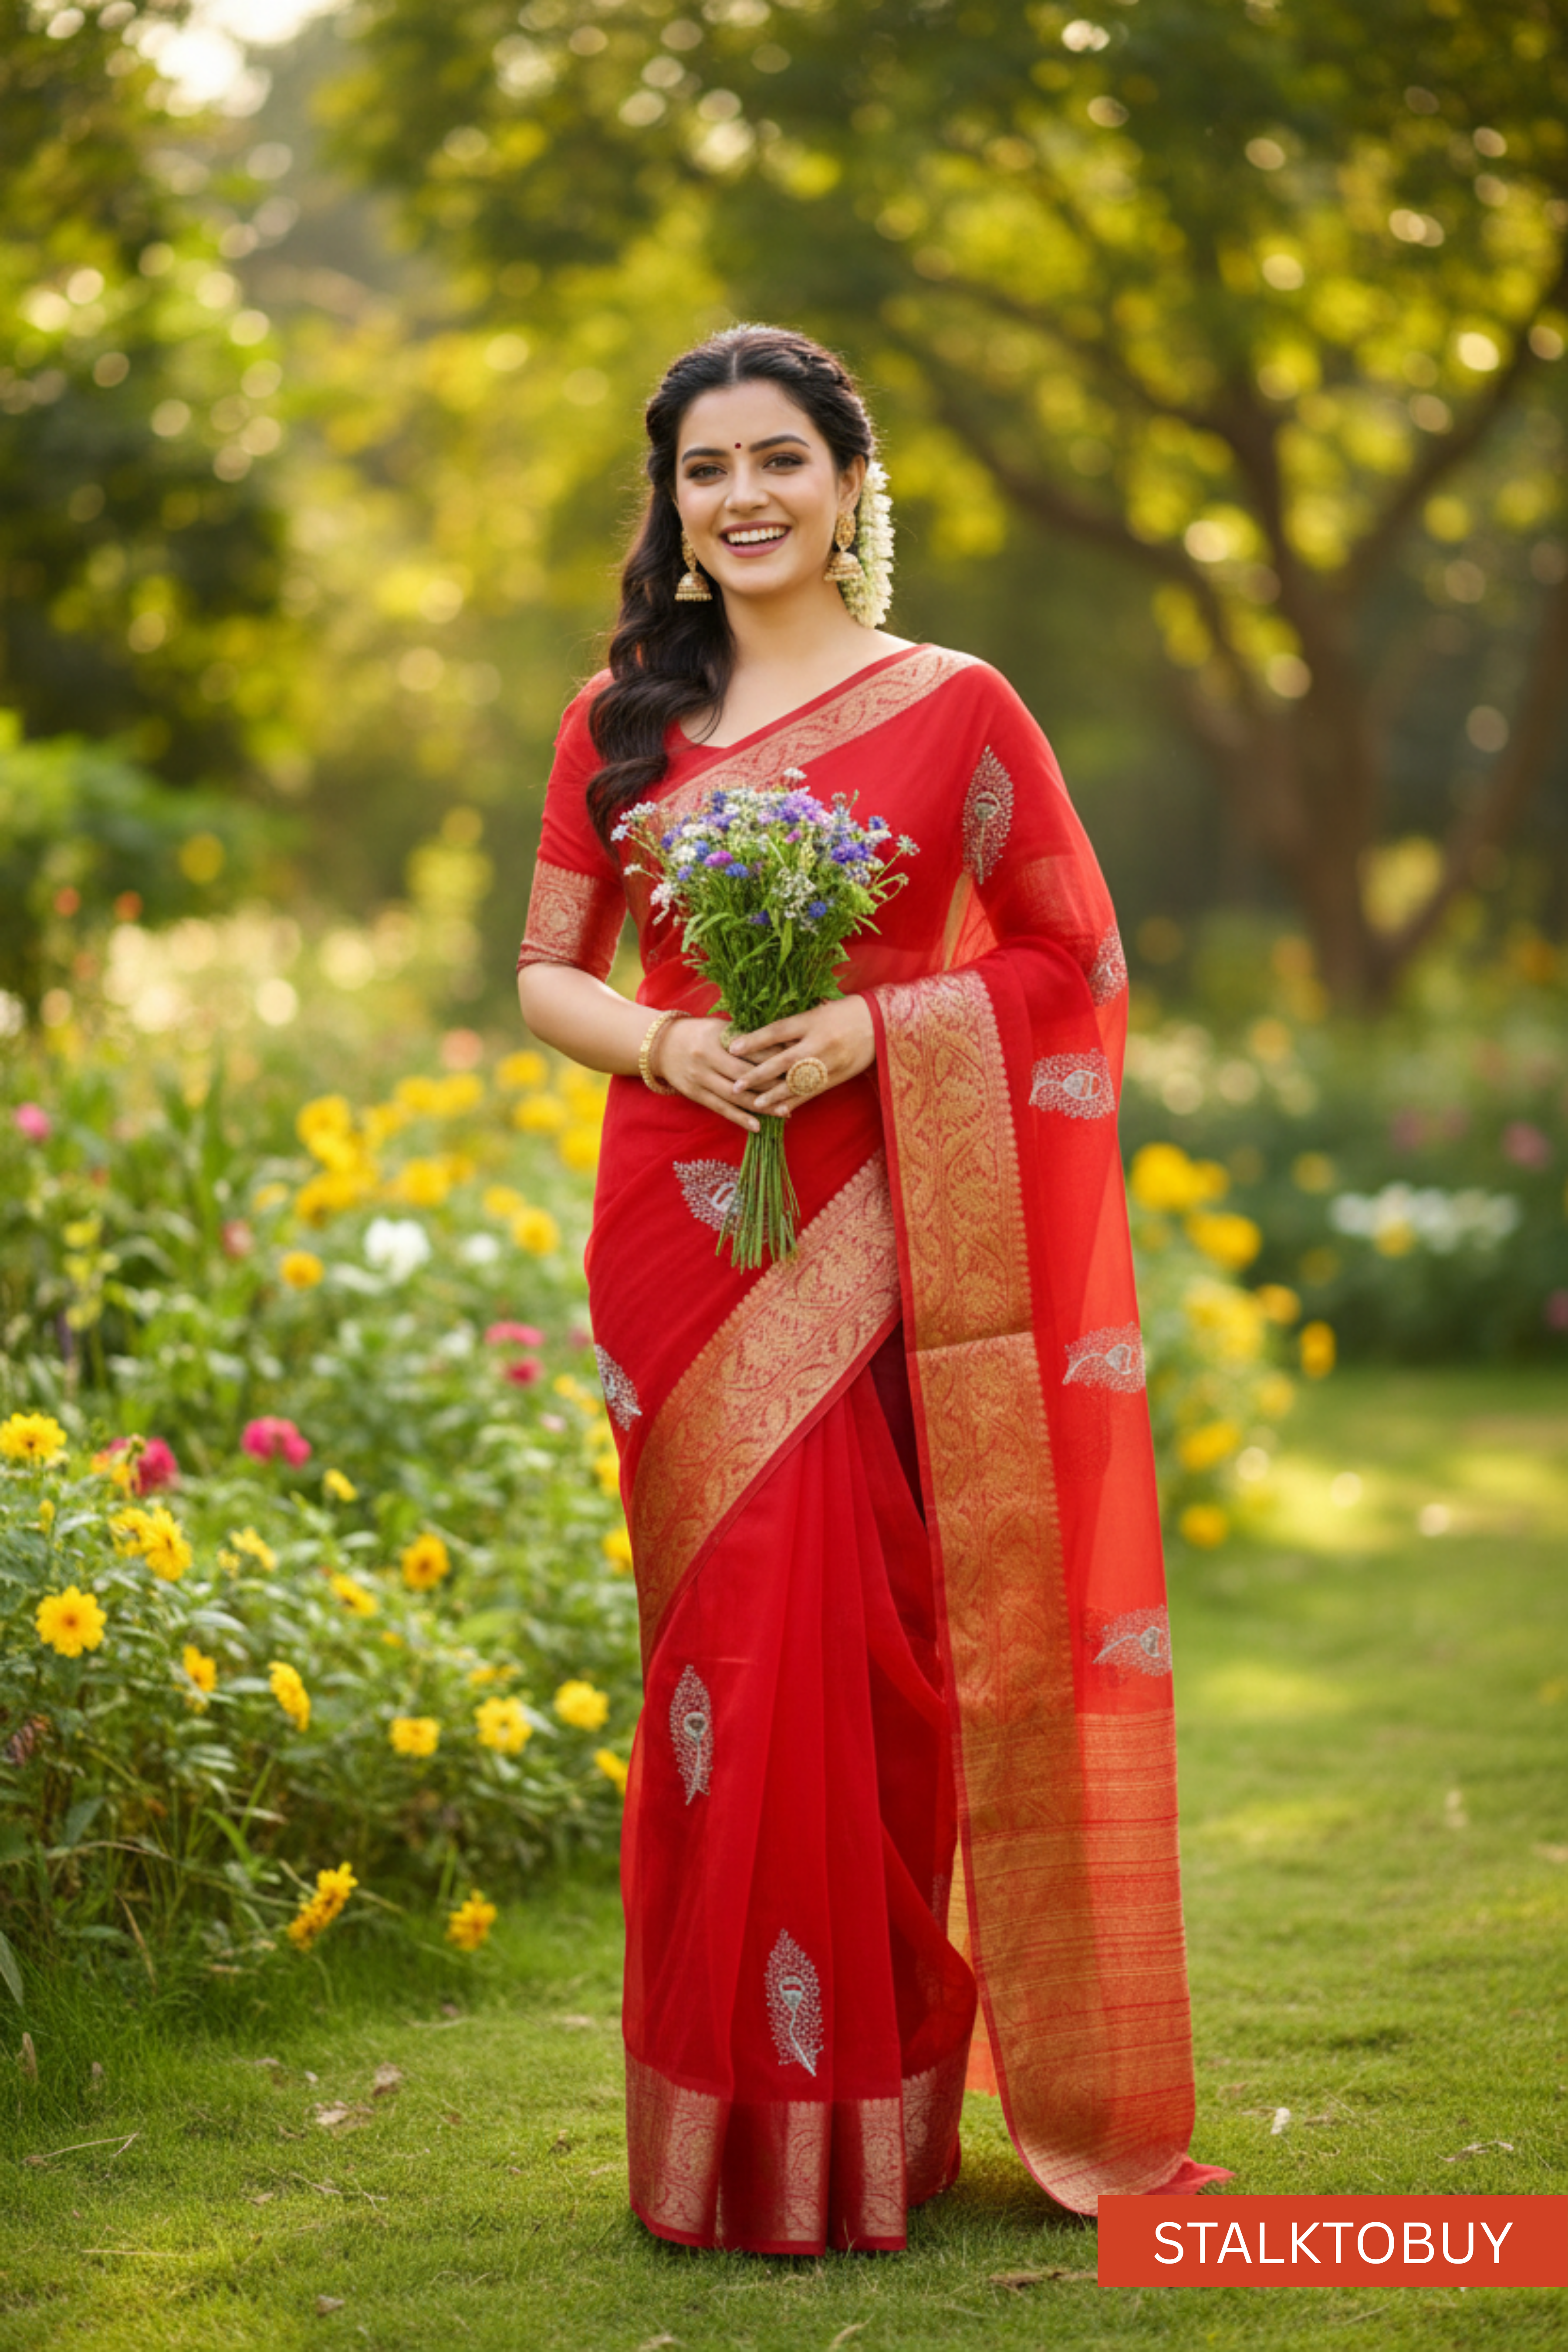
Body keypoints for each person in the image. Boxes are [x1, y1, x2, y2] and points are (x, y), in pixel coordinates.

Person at [515, 325, 1225, 2255]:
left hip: (891, 1215)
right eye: (702, 472)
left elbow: (1072, 962)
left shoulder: (959, 706)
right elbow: (549, 971)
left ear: (852, 484)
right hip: (680, 1221)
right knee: (724, 1665)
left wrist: (868, 1032)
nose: (739, 500)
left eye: (778, 463)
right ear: (668, 504)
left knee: (875, 1655)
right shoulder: (622, 718)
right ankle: (734, 2136)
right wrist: (676, 1056)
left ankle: (868, 2122)